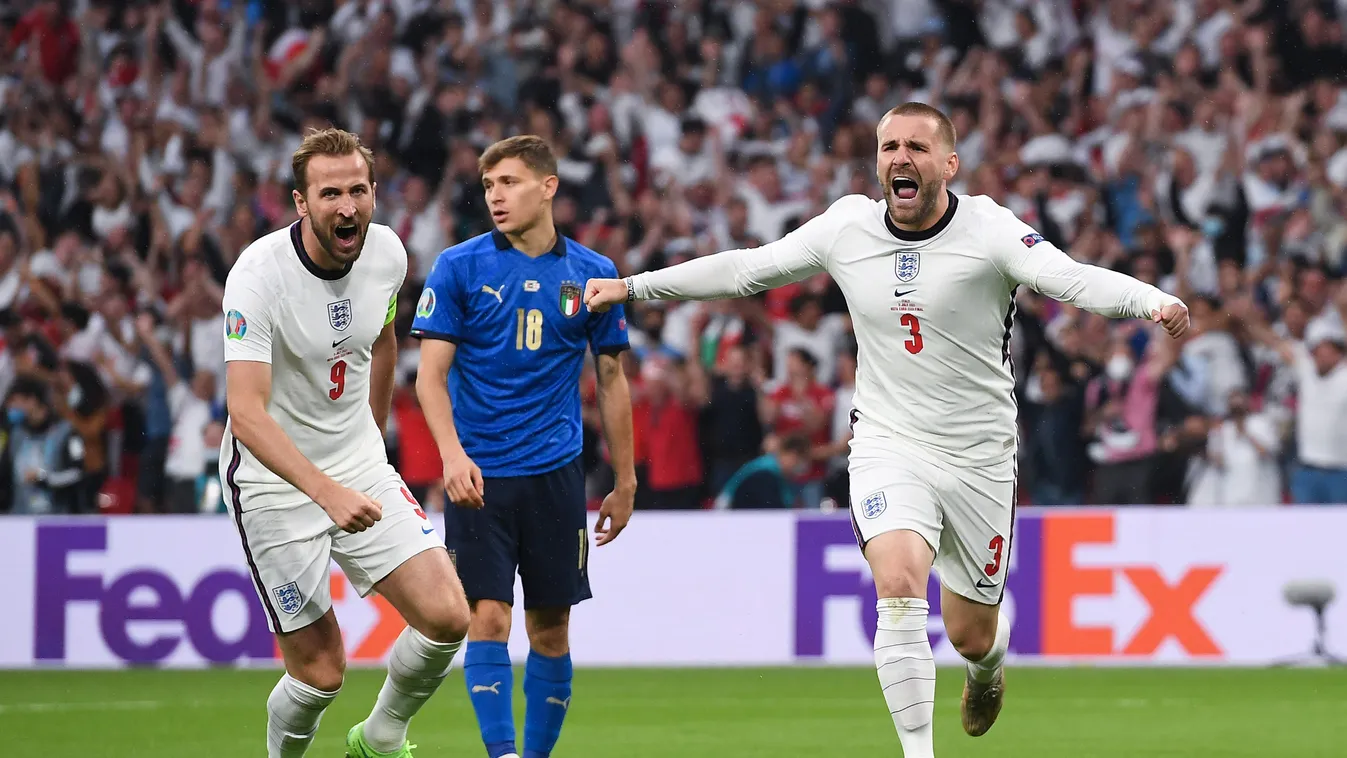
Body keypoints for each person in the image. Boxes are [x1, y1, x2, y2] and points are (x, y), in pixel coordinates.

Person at [584, 102, 1190, 757]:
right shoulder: (847, 226)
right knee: (897, 584)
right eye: (888, 147)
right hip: (885, 443)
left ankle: (987, 671)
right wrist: (633, 286)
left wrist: (1147, 301)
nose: (899, 158)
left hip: (978, 457)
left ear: (948, 164)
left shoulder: (987, 228)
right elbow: (744, 269)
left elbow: (1068, 279)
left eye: (917, 148)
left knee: (970, 634)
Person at [219, 128, 469, 758]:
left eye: (358, 190)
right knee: (321, 672)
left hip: (354, 463)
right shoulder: (257, 276)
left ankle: (379, 738)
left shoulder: (387, 253)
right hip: (272, 481)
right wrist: (326, 490)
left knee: (447, 617)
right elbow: (245, 414)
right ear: (301, 204)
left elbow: (382, 339)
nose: (347, 206)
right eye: (330, 193)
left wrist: (371, 442)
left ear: (374, 193)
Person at [411, 134, 636, 758]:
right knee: (486, 618)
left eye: (508, 182)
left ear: (549, 187)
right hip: (480, 476)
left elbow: (612, 379)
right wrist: (451, 457)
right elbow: (429, 377)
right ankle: (502, 753)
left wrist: (625, 480)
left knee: (551, 626)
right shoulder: (460, 267)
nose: (496, 196)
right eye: (488, 186)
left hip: (556, 477)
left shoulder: (593, 274)